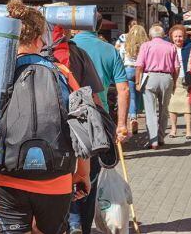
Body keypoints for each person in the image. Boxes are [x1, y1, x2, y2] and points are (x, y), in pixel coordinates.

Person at [0, 0, 90, 234]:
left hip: (9, 179)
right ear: (40, 39)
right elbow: (82, 127)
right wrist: (83, 174)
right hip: (57, 181)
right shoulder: (62, 73)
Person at [70, 24, 130, 234]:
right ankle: (82, 224)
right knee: (90, 177)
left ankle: (72, 220)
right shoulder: (108, 49)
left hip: (63, 120)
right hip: (95, 123)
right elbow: (123, 89)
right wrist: (120, 124)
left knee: (65, 174)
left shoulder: (64, 47)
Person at [134, 25, 179, 149]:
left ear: (150, 35)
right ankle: (160, 137)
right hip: (167, 77)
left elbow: (139, 66)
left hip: (150, 77)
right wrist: (174, 82)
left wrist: (137, 82)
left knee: (150, 111)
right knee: (164, 110)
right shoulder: (171, 46)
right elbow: (177, 68)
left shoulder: (146, 46)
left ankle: (153, 141)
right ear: (164, 35)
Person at [118, 24, 148, 135]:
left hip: (128, 69)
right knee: (140, 94)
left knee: (131, 97)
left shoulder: (125, 44)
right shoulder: (145, 45)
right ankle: (140, 112)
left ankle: (133, 117)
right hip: (141, 70)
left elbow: (120, 57)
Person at [165, 25, 191, 139]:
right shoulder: (168, 47)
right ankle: (173, 129)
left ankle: (189, 130)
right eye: (176, 36)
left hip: (186, 79)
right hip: (173, 79)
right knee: (173, 105)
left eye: (180, 36)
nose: (178, 39)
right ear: (171, 37)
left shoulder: (190, 47)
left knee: (187, 105)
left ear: (185, 37)